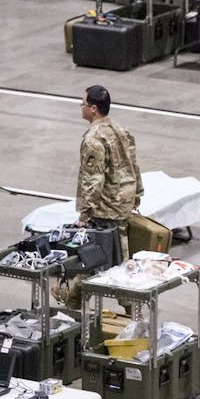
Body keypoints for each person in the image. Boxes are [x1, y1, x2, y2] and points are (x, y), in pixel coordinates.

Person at [61, 85, 143, 308]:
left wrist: (85, 214)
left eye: (83, 104)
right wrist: (137, 194)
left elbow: (93, 180)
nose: (81, 108)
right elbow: (134, 165)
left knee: (101, 258)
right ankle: (73, 300)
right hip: (123, 203)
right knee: (115, 256)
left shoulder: (93, 140)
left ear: (93, 109)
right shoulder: (121, 130)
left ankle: (129, 306)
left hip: (106, 208)